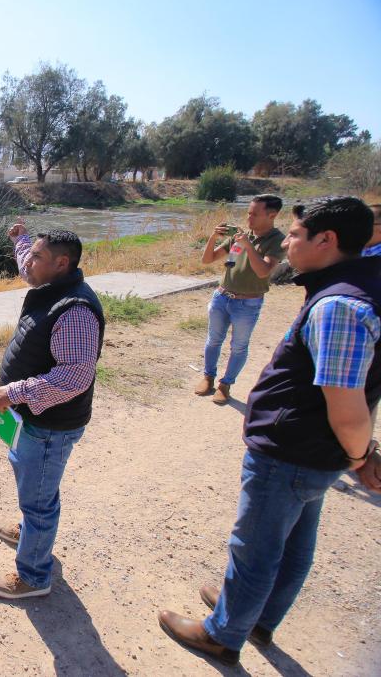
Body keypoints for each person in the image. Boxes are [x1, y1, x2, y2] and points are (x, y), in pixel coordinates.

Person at [159, 196, 381, 667]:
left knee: (255, 547)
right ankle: (255, 616)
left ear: (327, 240)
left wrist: (362, 457)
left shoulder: (339, 306)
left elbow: (347, 407)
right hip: (311, 450)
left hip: (293, 448)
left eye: (297, 235)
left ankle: (222, 634)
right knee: (295, 541)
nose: (291, 243)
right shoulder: (355, 286)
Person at [0, 225, 105, 600]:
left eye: (37, 257)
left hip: (50, 426)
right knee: (34, 487)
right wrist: (21, 241)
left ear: (61, 263)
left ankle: (35, 576)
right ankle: (30, 533)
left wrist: (15, 391)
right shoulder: (50, 283)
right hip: (34, 421)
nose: (28, 264)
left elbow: (73, 377)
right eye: (31, 254)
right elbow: (26, 264)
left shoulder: (76, 311)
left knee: (39, 499)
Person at [195, 195, 287, 404]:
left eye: (254, 214)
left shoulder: (277, 241)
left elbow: (263, 271)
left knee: (238, 346)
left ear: (271, 215)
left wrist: (247, 245)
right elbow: (207, 259)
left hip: (248, 303)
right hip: (222, 296)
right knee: (213, 340)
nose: (249, 218)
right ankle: (208, 378)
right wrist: (213, 238)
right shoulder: (239, 236)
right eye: (248, 213)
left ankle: (225, 384)